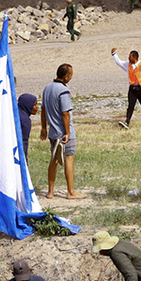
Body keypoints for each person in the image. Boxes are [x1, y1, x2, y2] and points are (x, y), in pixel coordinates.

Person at [41, 63, 85, 200]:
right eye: (70, 75)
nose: (71, 77)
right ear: (66, 76)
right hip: (64, 133)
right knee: (69, 159)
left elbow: (43, 110)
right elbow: (65, 113)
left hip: (53, 132)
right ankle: (71, 192)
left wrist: (43, 128)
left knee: (53, 160)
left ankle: (50, 191)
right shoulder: (63, 91)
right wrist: (67, 132)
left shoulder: (47, 88)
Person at [0, 93, 37, 163]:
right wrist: (24, 162)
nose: (37, 107)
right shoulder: (25, 121)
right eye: (35, 105)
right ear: (28, 105)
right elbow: (23, 143)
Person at [112, 48, 141, 129]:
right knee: (131, 105)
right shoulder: (127, 64)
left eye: (130, 57)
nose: (128, 58)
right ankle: (127, 122)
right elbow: (119, 63)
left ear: (135, 57)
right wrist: (114, 54)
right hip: (132, 88)